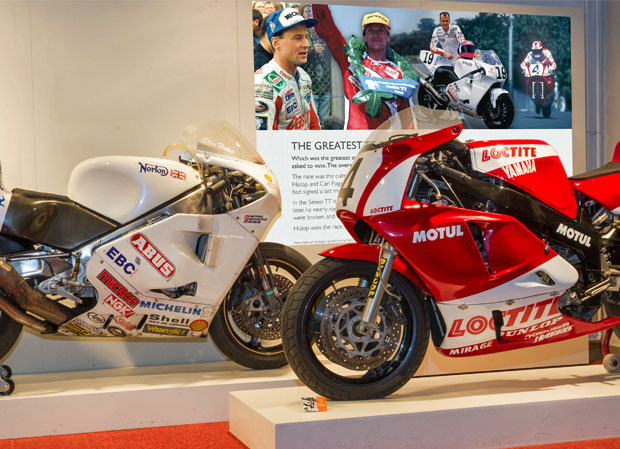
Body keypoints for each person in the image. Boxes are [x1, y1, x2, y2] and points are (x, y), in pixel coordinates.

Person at [312, 6, 418, 129]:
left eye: (380, 30)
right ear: (365, 37)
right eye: (371, 31)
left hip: (385, 140)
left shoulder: (400, 73)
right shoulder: (350, 61)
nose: (376, 35)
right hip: (356, 140)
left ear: (388, 37)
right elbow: (328, 29)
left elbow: (407, 117)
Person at [254, 8, 321, 130]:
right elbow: (263, 142)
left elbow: (313, 124)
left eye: (306, 37)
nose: (307, 44)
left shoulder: (304, 76)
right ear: (276, 43)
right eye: (298, 38)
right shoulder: (263, 84)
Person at [299, 4, 331, 126]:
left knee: (324, 122)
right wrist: (312, 50)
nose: (310, 14)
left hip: (326, 85)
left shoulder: (324, 33)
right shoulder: (302, 35)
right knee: (312, 122)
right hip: (310, 86)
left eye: (312, 12)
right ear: (303, 15)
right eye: (307, 11)